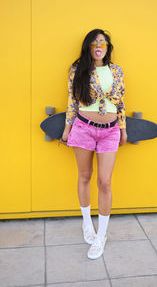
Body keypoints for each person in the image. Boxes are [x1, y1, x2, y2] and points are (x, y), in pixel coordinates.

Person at [60, 29, 127, 259]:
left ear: (108, 47)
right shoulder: (78, 69)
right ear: (88, 46)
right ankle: (87, 224)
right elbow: (71, 100)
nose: (99, 46)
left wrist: (123, 128)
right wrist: (68, 129)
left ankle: (102, 235)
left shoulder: (116, 71)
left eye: (103, 42)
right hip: (83, 128)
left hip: (110, 132)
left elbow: (121, 103)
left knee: (105, 181)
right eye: (94, 43)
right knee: (85, 176)